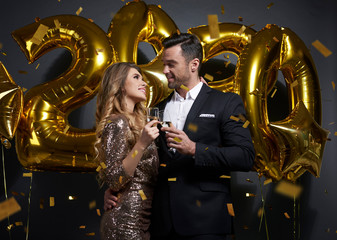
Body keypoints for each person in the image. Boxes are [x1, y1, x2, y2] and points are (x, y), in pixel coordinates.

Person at [105, 33, 255, 240]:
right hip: (160, 224)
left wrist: (195, 149)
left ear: (194, 64)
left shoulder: (227, 102)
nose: (165, 71)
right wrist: (116, 191)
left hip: (206, 222)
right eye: (164, 64)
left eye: (171, 64)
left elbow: (245, 156)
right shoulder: (155, 109)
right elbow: (141, 162)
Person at [94, 62, 160, 240]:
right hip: (125, 224)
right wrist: (141, 144)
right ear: (121, 85)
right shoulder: (117, 122)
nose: (144, 83)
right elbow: (115, 179)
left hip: (140, 221)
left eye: (142, 78)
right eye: (136, 77)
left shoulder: (137, 123)